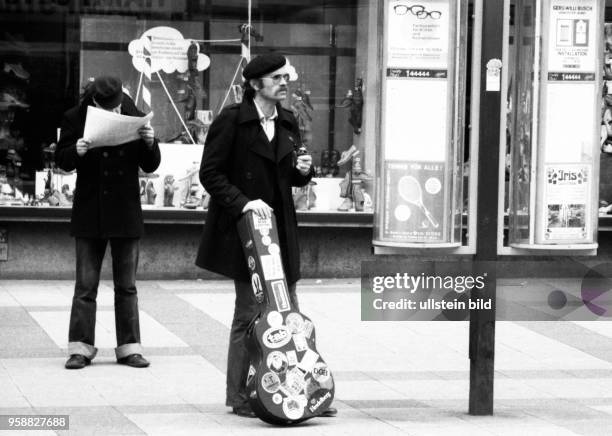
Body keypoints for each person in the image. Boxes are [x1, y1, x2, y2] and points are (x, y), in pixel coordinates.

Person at [195, 54, 336, 418]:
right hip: (245, 231)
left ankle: (303, 391)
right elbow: (210, 174)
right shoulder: (231, 121)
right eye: (276, 78)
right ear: (256, 84)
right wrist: (243, 203)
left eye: (284, 76)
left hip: (280, 231)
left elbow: (289, 174)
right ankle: (240, 395)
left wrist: (304, 171)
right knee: (250, 312)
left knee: (290, 311)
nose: (283, 82)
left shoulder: (287, 121)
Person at [55, 76, 160, 370]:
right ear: (96, 101)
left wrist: (151, 143)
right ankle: (79, 348)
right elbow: (62, 161)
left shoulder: (135, 115)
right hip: (90, 210)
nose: (113, 109)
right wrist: (76, 150)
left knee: (126, 285)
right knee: (85, 286)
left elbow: (151, 164)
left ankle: (130, 348)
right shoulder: (74, 117)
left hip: (125, 211)